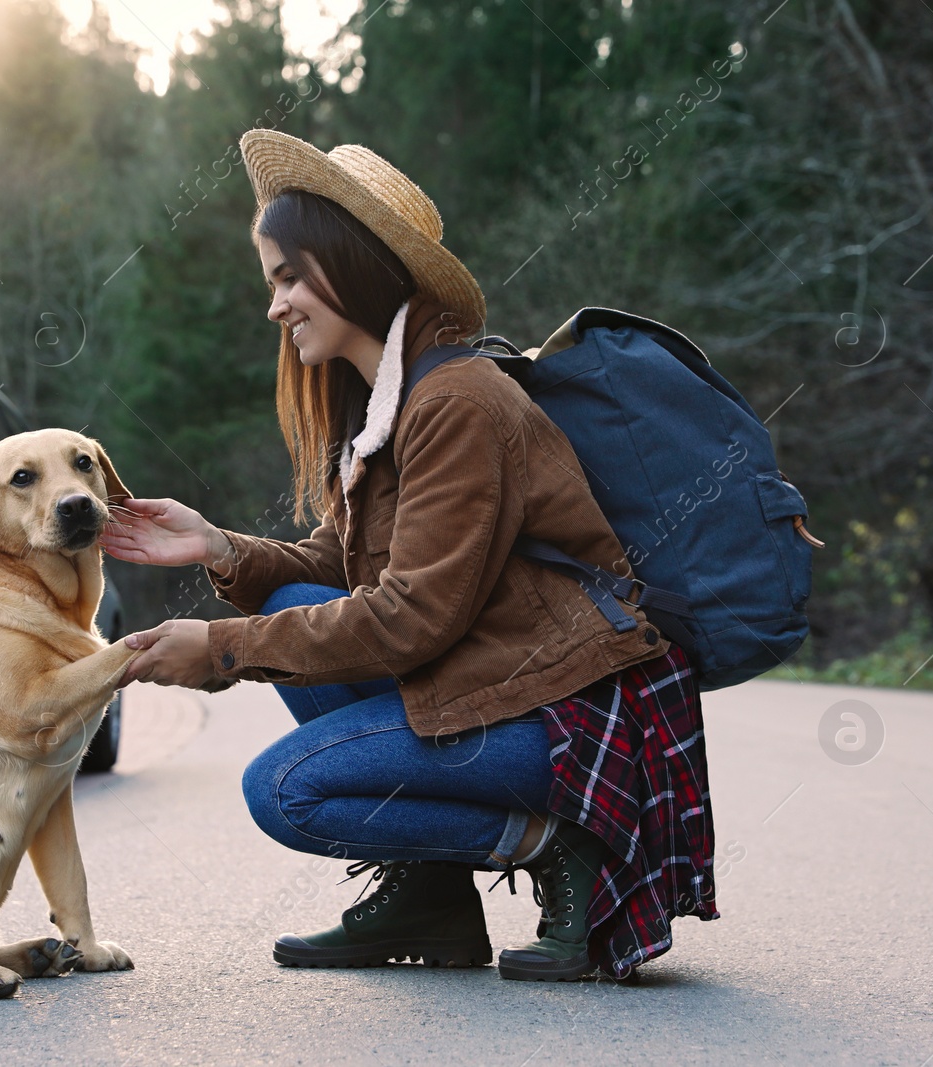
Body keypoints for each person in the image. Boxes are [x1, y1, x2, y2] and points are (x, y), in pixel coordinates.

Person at [100, 129, 717, 982]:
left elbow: (410, 616)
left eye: (287, 277)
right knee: (279, 609)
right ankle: (432, 895)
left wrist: (220, 651)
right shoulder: (394, 406)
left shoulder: (456, 402)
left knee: (286, 790)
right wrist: (217, 546)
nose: (275, 306)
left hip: (570, 717)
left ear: (350, 261)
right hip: (501, 687)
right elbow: (344, 564)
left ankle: (563, 842)